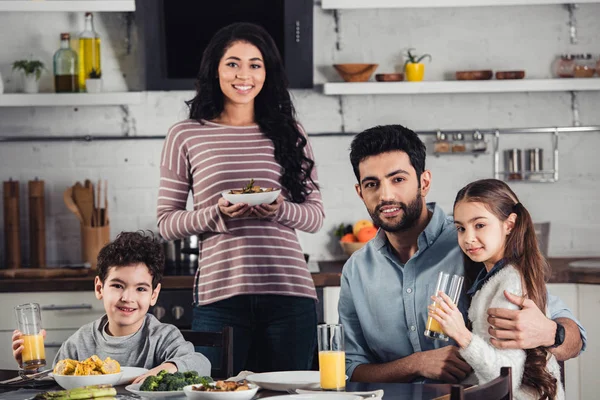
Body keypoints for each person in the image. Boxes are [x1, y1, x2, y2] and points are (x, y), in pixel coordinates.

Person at [339, 124, 586, 384]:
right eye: (371, 184)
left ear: (424, 182)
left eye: (398, 179)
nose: (385, 195)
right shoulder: (356, 271)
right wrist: (416, 364)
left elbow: (574, 338)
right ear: (360, 192)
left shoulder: (474, 246)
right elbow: (349, 368)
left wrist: (549, 333)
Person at [156, 22, 324, 375]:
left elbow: (314, 216)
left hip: (289, 294)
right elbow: (166, 223)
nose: (243, 74)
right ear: (215, 69)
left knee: (288, 399)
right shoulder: (186, 134)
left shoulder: (290, 132)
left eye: (255, 64)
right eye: (232, 63)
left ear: (267, 73)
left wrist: (280, 210)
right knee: (213, 396)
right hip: (220, 298)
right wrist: (215, 212)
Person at [11, 231, 211, 383]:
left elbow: (202, 364)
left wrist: (168, 367)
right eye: (117, 286)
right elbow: (54, 382)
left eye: (140, 289)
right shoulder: (80, 342)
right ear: (99, 288)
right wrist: (30, 370)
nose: (127, 297)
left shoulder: (162, 337)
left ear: (154, 295)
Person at [430, 179, 564, 399]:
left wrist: (461, 334)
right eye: (461, 228)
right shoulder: (496, 275)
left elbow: (505, 377)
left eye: (479, 225)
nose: (468, 238)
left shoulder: (509, 285)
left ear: (509, 224)